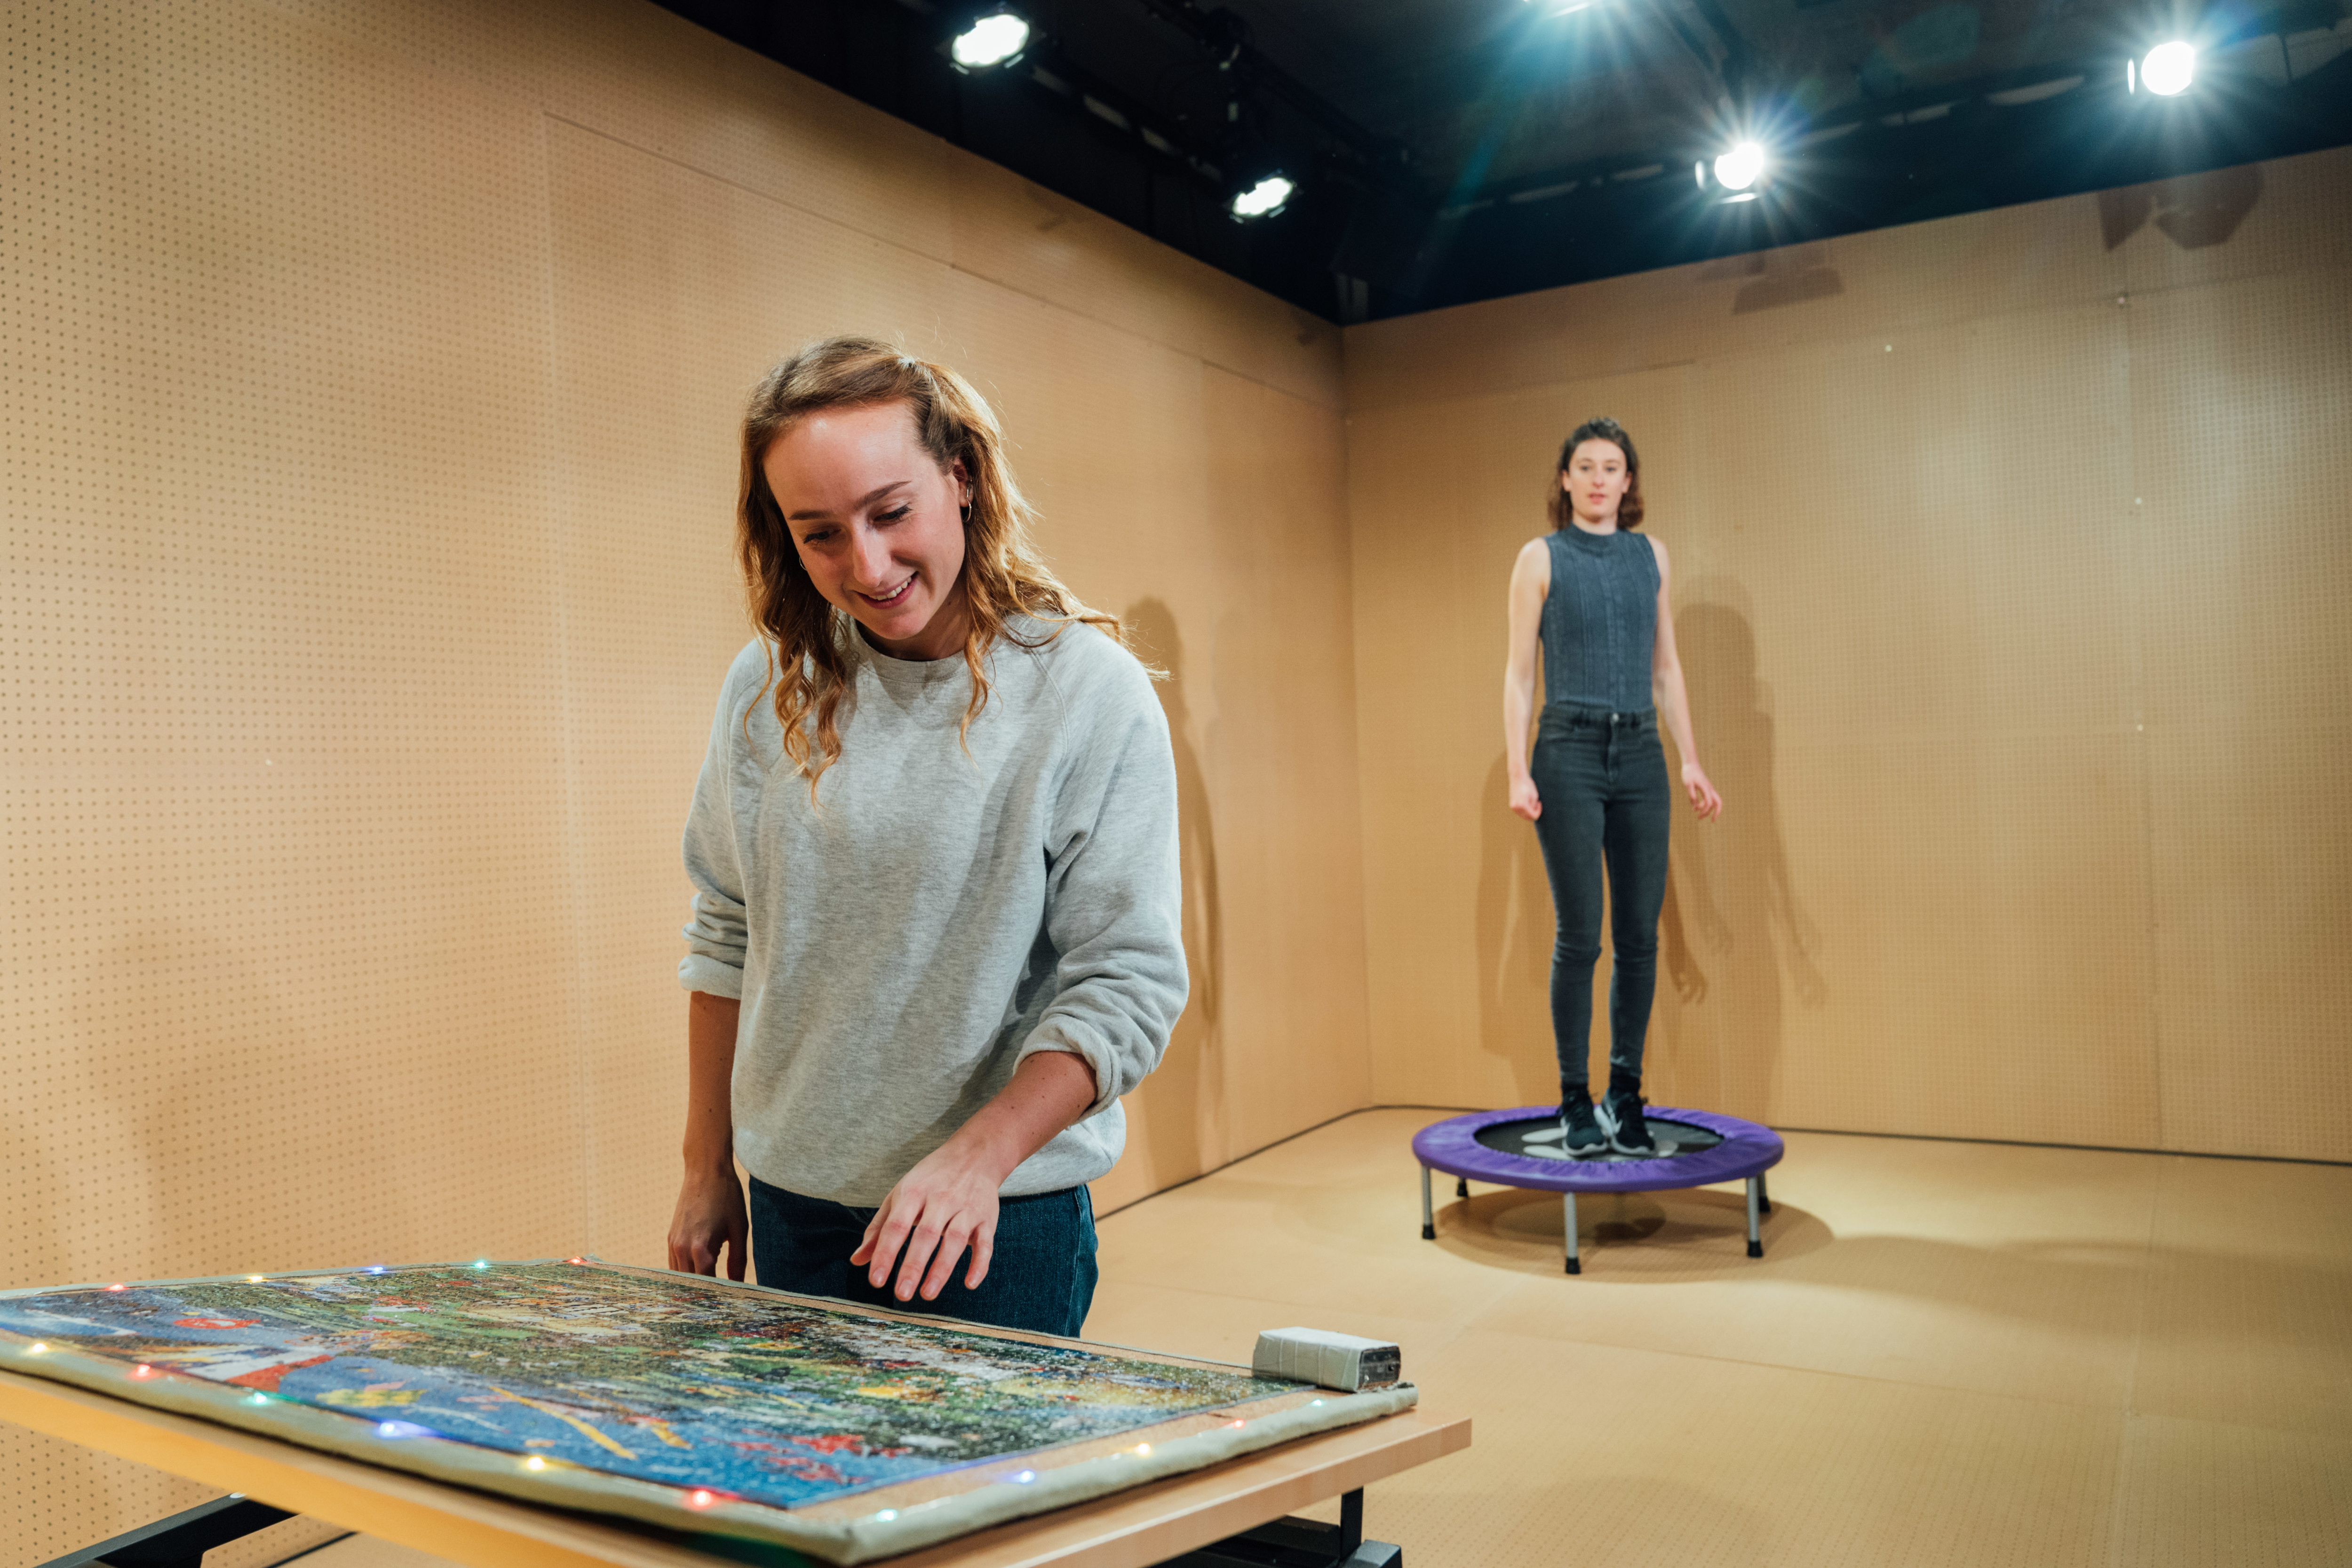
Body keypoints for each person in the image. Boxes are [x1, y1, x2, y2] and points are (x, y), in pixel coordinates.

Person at [665, 337, 1186, 1337]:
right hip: (793, 1205)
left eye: (891, 512)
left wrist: (979, 1156)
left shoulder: (1086, 690)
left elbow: (1127, 981)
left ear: (962, 478)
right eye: (820, 534)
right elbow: (727, 927)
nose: (867, 566)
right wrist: (706, 1164)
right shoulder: (768, 682)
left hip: (995, 1217)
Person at [1502, 417, 1722, 1157]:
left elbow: (1666, 667)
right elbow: (1519, 676)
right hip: (1568, 750)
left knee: (1638, 936)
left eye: (1612, 467)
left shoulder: (1650, 556)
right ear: (1565, 480)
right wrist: (1518, 768)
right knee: (1580, 935)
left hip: (1640, 753)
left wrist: (1690, 759)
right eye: (1586, 467)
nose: (1599, 478)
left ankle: (1624, 1093)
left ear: (1629, 482)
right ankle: (1575, 1096)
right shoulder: (1541, 557)